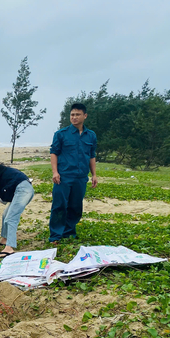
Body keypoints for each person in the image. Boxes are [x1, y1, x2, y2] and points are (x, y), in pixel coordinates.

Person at [49, 103, 98, 243]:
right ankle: (55, 236)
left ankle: (69, 232)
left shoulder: (91, 136)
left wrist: (94, 174)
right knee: (59, 205)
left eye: (77, 114)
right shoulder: (61, 134)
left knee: (76, 206)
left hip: (81, 177)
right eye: (72, 115)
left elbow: (91, 155)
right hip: (64, 176)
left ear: (85, 116)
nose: (74, 117)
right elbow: (54, 153)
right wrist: (55, 172)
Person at [0, 162, 34, 257]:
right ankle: (4, 239)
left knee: (11, 218)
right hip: (24, 190)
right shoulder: (2, 173)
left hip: (23, 191)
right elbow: (9, 188)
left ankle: (9, 248)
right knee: (5, 215)